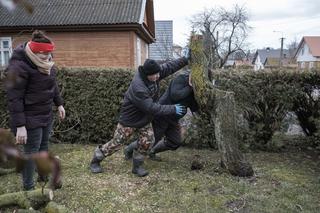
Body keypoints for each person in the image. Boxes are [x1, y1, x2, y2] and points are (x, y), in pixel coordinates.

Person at [89, 57, 189, 177]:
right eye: (155, 75)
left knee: (148, 140)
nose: (158, 76)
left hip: (144, 119)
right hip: (130, 120)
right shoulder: (139, 87)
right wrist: (173, 108)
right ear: (147, 75)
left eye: (158, 73)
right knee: (116, 143)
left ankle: (137, 166)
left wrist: (185, 59)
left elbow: (169, 67)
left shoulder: (153, 72)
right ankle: (96, 160)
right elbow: (152, 108)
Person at [5, 30, 65, 190]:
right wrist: (20, 126)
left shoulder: (47, 64)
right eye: (44, 56)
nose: (48, 59)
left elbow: (52, 85)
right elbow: (14, 98)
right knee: (31, 152)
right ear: (34, 52)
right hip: (28, 117)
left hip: (45, 114)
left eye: (49, 55)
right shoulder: (19, 67)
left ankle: (43, 176)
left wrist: (59, 103)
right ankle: (29, 189)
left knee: (44, 145)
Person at [124, 70, 198, 161]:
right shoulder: (181, 79)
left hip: (174, 119)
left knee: (175, 142)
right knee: (152, 139)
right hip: (163, 114)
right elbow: (175, 95)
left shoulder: (195, 90)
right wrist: (191, 87)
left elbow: (193, 106)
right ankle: (129, 149)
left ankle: (152, 151)